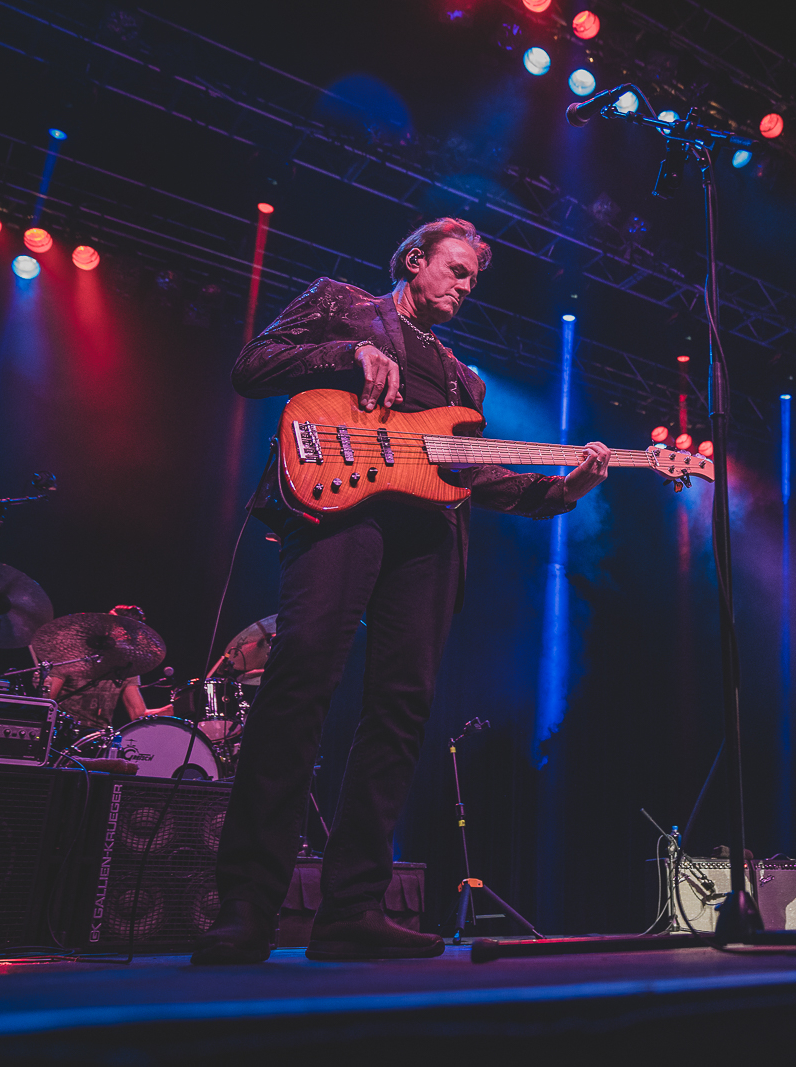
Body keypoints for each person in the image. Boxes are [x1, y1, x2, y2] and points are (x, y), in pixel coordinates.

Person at [194, 218, 612, 964]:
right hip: (337, 510)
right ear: (414, 261)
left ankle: (350, 909)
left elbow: (481, 476)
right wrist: (348, 353)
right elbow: (252, 365)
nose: (465, 285)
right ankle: (246, 907)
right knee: (300, 683)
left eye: (473, 278)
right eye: (454, 269)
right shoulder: (343, 305)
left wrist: (566, 489)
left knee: (401, 709)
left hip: (428, 543)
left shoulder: (465, 381)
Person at [38, 605, 173, 729]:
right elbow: (48, 702)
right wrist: (42, 685)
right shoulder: (71, 657)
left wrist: (174, 709)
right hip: (63, 731)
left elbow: (138, 714)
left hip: (97, 737)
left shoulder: (128, 667)